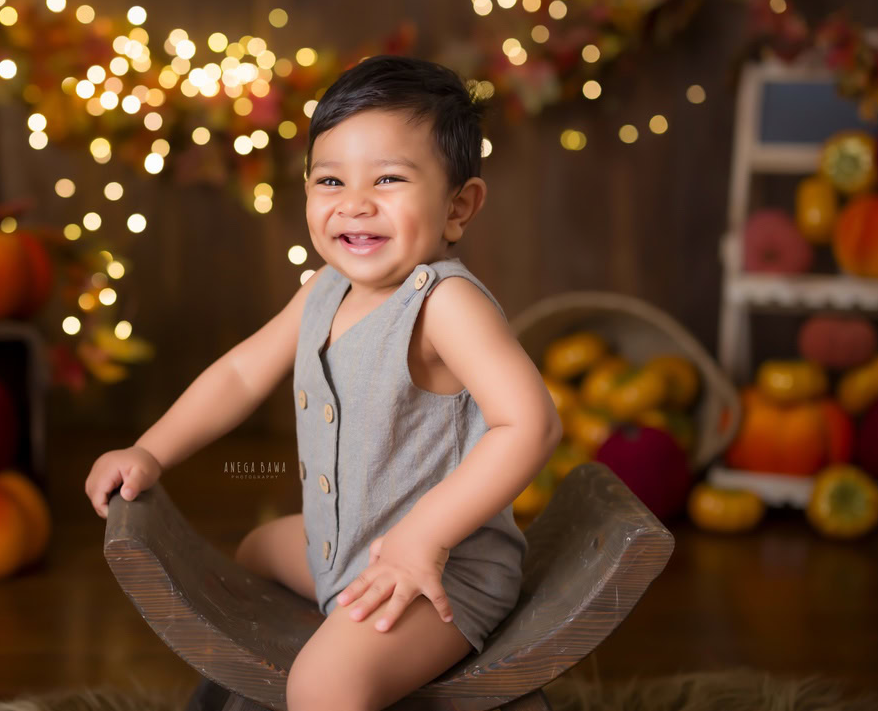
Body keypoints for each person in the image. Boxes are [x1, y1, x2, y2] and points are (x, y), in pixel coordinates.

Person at [86, 54, 562, 711]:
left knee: (325, 686)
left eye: (389, 178)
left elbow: (531, 424)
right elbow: (239, 372)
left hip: (438, 574)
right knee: (255, 552)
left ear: (459, 204)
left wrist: (422, 537)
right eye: (330, 180)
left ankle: (333, 679)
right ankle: (239, 697)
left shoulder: (444, 304)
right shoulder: (323, 290)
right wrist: (150, 450)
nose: (355, 204)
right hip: (349, 552)